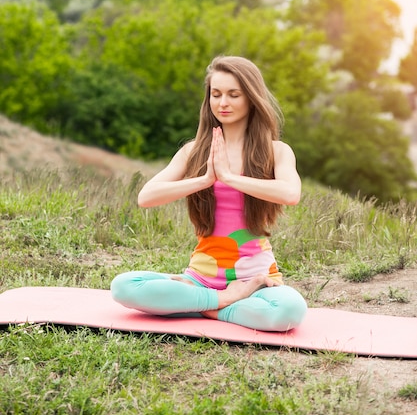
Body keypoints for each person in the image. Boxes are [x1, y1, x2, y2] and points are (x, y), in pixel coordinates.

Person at [111, 55, 307, 331]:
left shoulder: (276, 151)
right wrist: (205, 179)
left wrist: (229, 177)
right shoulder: (193, 151)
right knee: (123, 286)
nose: (223, 103)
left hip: (256, 280)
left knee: (289, 311)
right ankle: (220, 301)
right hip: (201, 279)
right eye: (216, 94)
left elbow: (290, 193)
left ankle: (202, 307)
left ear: (251, 98)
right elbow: (147, 196)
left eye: (233, 94)